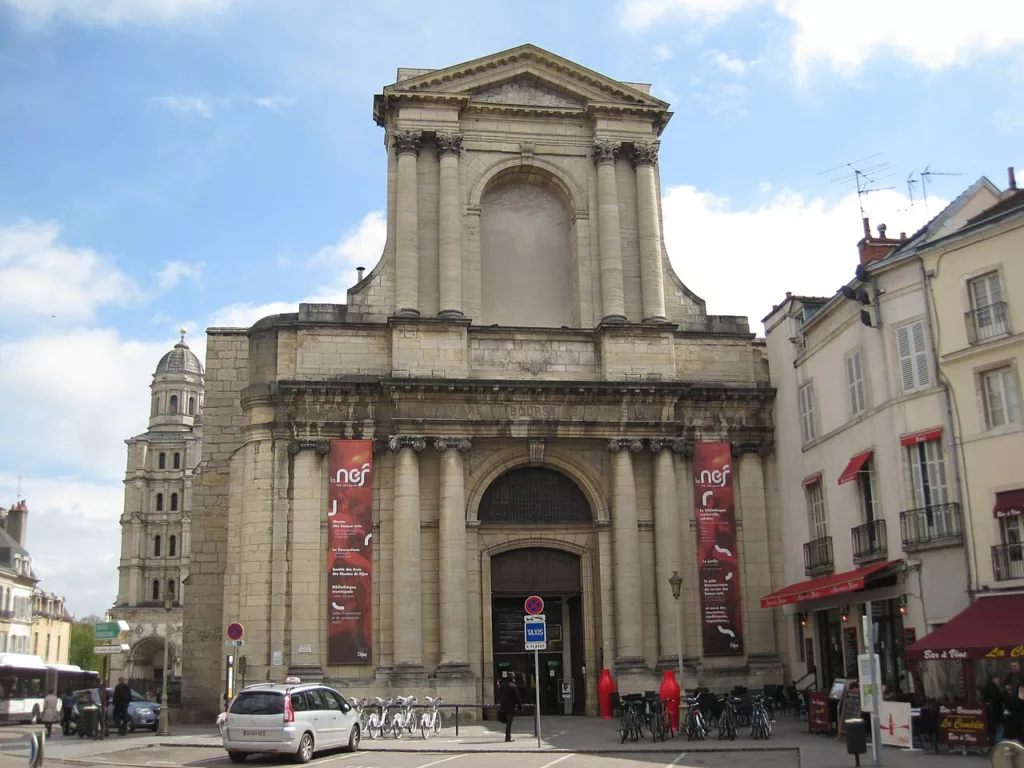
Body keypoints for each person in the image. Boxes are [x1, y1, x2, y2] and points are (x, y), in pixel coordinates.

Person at [498, 673, 522, 743]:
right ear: (512, 678)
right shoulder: (513, 686)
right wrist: (520, 706)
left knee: (507, 722)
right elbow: (517, 697)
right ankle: (507, 737)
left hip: (503, 706)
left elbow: (499, 695)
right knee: (509, 723)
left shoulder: (502, 685)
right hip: (510, 707)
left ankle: (507, 736)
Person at [1003, 660, 1024, 742]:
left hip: (1021, 706)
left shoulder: (1022, 676)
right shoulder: (1008, 676)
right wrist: (1006, 688)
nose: (1013, 668)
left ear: (1019, 665)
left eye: (1015, 666)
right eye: (1012, 666)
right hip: (1011, 706)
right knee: (1013, 727)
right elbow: (1003, 687)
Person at [982, 672, 1005, 745]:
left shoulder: (986, 688)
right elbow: (998, 699)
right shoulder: (994, 689)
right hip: (996, 713)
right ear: (994, 679)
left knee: (992, 731)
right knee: (999, 729)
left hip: (988, 714)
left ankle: (992, 744)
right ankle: (997, 745)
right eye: (998, 680)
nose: (999, 682)